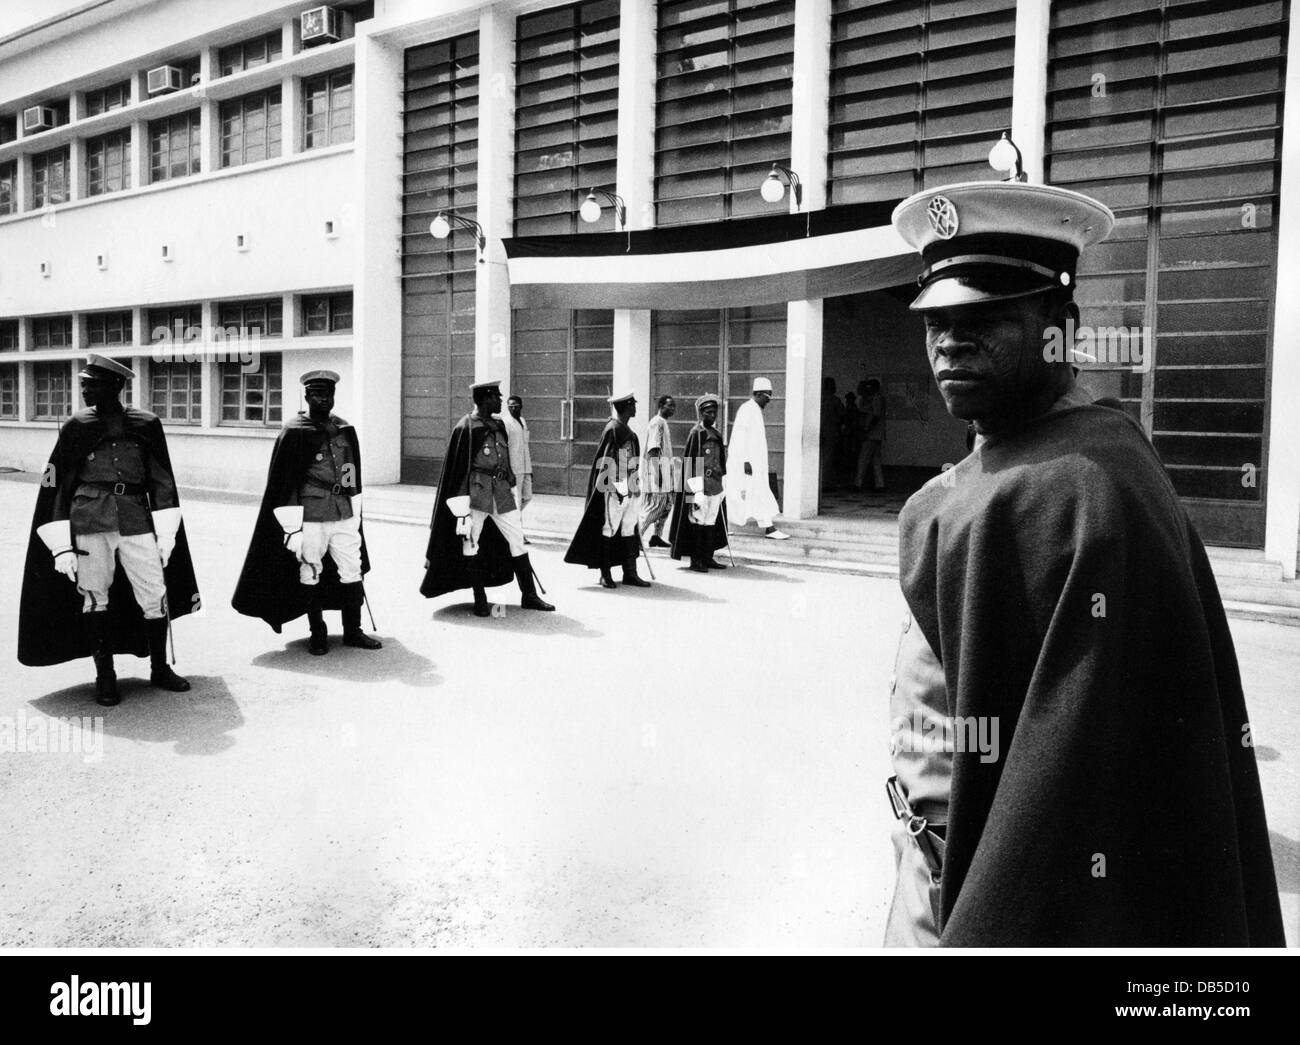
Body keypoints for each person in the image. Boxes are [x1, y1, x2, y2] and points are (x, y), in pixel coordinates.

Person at [882, 179, 1284, 946]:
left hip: (964, 889)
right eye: (935, 320)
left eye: (983, 318)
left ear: (1060, 328)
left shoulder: (1081, 489)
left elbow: (1055, 814)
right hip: (929, 854)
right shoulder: (1043, 463)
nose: (949, 342)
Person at [18, 354, 198, 706]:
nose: (84, 389)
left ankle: (159, 668)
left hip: (136, 517)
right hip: (90, 519)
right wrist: (60, 544)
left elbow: (162, 477)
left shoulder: (146, 423)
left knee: (153, 592)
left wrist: (166, 532)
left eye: (92, 383)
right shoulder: (76, 425)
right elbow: (54, 480)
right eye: (83, 383)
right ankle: (105, 676)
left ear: (115, 386)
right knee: (93, 594)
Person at [232, 370, 381, 655]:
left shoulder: (344, 429)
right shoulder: (295, 431)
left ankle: (353, 631)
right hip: (310, 513)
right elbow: (285, 483)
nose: (324, 400)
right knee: (310, 568)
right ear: (307, 396)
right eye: (317, 394)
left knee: (352, 569)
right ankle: (318, 633)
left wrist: (354, 504)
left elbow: (349, 470)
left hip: (343, 512)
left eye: (328, 394)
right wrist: (291, 527)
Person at [420, 380, 554, 616]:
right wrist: (461, 509)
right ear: (485, 398)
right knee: (471, 542)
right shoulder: (466, 427)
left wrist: (511, 476)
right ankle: (479, 598)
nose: (500, 401)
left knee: (517, 538)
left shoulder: (498, 425)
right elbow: (457, 470)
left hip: (501, 492)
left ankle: (529, 595)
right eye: (496, 397)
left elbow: (504, 457)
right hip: (476, 494)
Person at [565, 391, 651, 589]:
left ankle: (630, 572)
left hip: (630, 485)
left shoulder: (627, 431)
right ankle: (605, 573)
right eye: (632, 405)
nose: (635, 407)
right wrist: (614, 489)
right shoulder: (612, 429)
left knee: (629, 528)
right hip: (614, 488)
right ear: (626, 407)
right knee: (609, 528)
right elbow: (606, 463)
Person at [669, 393, 729, 573]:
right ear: (701, 414)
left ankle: (707, 556)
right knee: (697, 520)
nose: (713, 415)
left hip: (715, 485)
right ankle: (696, 560)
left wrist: (723, 482)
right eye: (709, 412)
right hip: (699, 485)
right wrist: (693, 493)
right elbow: (691, 465)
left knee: (710, 521)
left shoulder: (716, 434)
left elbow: (720, 461)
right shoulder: (696, 434)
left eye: (714, 412)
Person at [725, 377, 788, 540]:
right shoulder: (747, 409)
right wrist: (745, 461)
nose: (769, 400)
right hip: (744, 464)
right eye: (768, 396)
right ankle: (769, 528)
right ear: (758, 393)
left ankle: (768, 528)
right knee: (736, 495)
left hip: (755, 464)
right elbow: (739, 437)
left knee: (750, 494)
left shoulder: (755, 410)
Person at [638, 394, 676, 548]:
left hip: (665, 472)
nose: (673, 409)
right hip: (656, 472)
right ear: (661, 406)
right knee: (654, 506)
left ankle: (656, 536)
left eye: (674, 406)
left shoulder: (663, 423)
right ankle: (635, 537)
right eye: (670, 405)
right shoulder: (657, 423)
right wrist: (658, 474)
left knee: (667, 505)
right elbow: (653, 450)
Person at [499, 394, 533, 544]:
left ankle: (509, 523)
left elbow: (525, 445)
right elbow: (503, 448)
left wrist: (530, 470)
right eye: (510, 406)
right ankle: (518, 534)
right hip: (514, 468)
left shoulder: (523, 421)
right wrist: (508, 470)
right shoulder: (506, 423)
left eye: (516, 405)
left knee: (528, 496)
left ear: (521, 406)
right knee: (517, 502)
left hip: (525, 467)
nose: (513, 408)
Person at [855, 377, 886, 492]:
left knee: (863, 459)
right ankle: (880, 484)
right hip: (876, 434)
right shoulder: (873, 398)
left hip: (871, 433)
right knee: (876, 459)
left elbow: (875, 416)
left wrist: (867, 429)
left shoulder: (876, 399)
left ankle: (858, 483)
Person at [819, 377, 843, 493]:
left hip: (819, 431)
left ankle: (819, 482)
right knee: (828, 458)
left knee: (819, 457)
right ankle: (825, 483)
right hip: (830, 431)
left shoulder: (818, 398)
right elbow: (842, 414)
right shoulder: (835, 400)